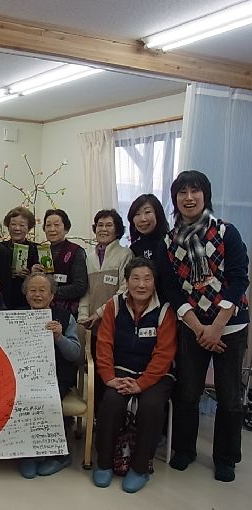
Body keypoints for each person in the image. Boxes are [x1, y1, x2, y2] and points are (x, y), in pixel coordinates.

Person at [156, 170, 249, 483]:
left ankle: (226, 458)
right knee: (187, 391)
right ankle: (184, 450)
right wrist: (199, 328)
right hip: (192, 324)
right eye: (182, 192)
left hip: (230, 326)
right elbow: (171, 288)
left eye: (194, 191)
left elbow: (239, 279)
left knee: (230, 395)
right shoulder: (168, 241)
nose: (189, 197)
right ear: (175, 199)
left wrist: (217, 326)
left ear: (205, 195)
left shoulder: (226, 232)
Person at [92, 258, 176, 493]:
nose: (141, 284)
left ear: (154, 282)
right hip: (121, 369)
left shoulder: (165, 309)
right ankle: (104, 463)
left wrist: (142, 384)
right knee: (111, 401)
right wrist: (109, 377)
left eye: (147, 279)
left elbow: (164, 354)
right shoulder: (115, 305)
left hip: (156, 374)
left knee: (151, 406)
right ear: (127, 282)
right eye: (135, 279)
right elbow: (104, 343)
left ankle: (140, 468)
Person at [17, 273, 81, 479]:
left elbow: (75, 354)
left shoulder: (64, 317)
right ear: (26, 294)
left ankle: (59, 455)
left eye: (42, 290)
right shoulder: (16, 316)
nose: (37, 295)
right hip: (24, 375)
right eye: (32, 290)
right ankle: (26, 453)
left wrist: (60, 337)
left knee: (45, 397)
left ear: (52, 295)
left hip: (56, 376)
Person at [78, 209, 133, 328]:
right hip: (92, 323)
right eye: (100, 225)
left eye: (109, 225)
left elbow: (125, 289)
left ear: (117, 230)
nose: (103, 229)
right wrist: (83, 316)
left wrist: (100, 313)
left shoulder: (125, 254)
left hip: (116, 321)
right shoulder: (90, 258)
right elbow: (86, 291)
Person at [32, 209, 88, 316]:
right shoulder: (41, 251)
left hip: (67, 312)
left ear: (66, 229)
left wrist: (50, 292)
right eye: (48, 225)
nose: (52, 229)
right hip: (42, 311)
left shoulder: (76, 251)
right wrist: (34, 273)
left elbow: (80, 287)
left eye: (56, 225)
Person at [1, 206, 40, 308]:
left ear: (29, 228)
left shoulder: (37, 249)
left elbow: (45, 279)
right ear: (8, 226)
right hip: (3, 300)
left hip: (29, 303)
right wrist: (7, 273)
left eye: (22, 225)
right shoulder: (0, 248)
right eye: (13, 224)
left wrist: (31, 275)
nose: (17, 228)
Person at [127, 194, 169, 261]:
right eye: (137, 214)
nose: (142, 219)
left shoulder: (169, 242)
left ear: (157, 214)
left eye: (147, 212)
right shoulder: (133, 249)